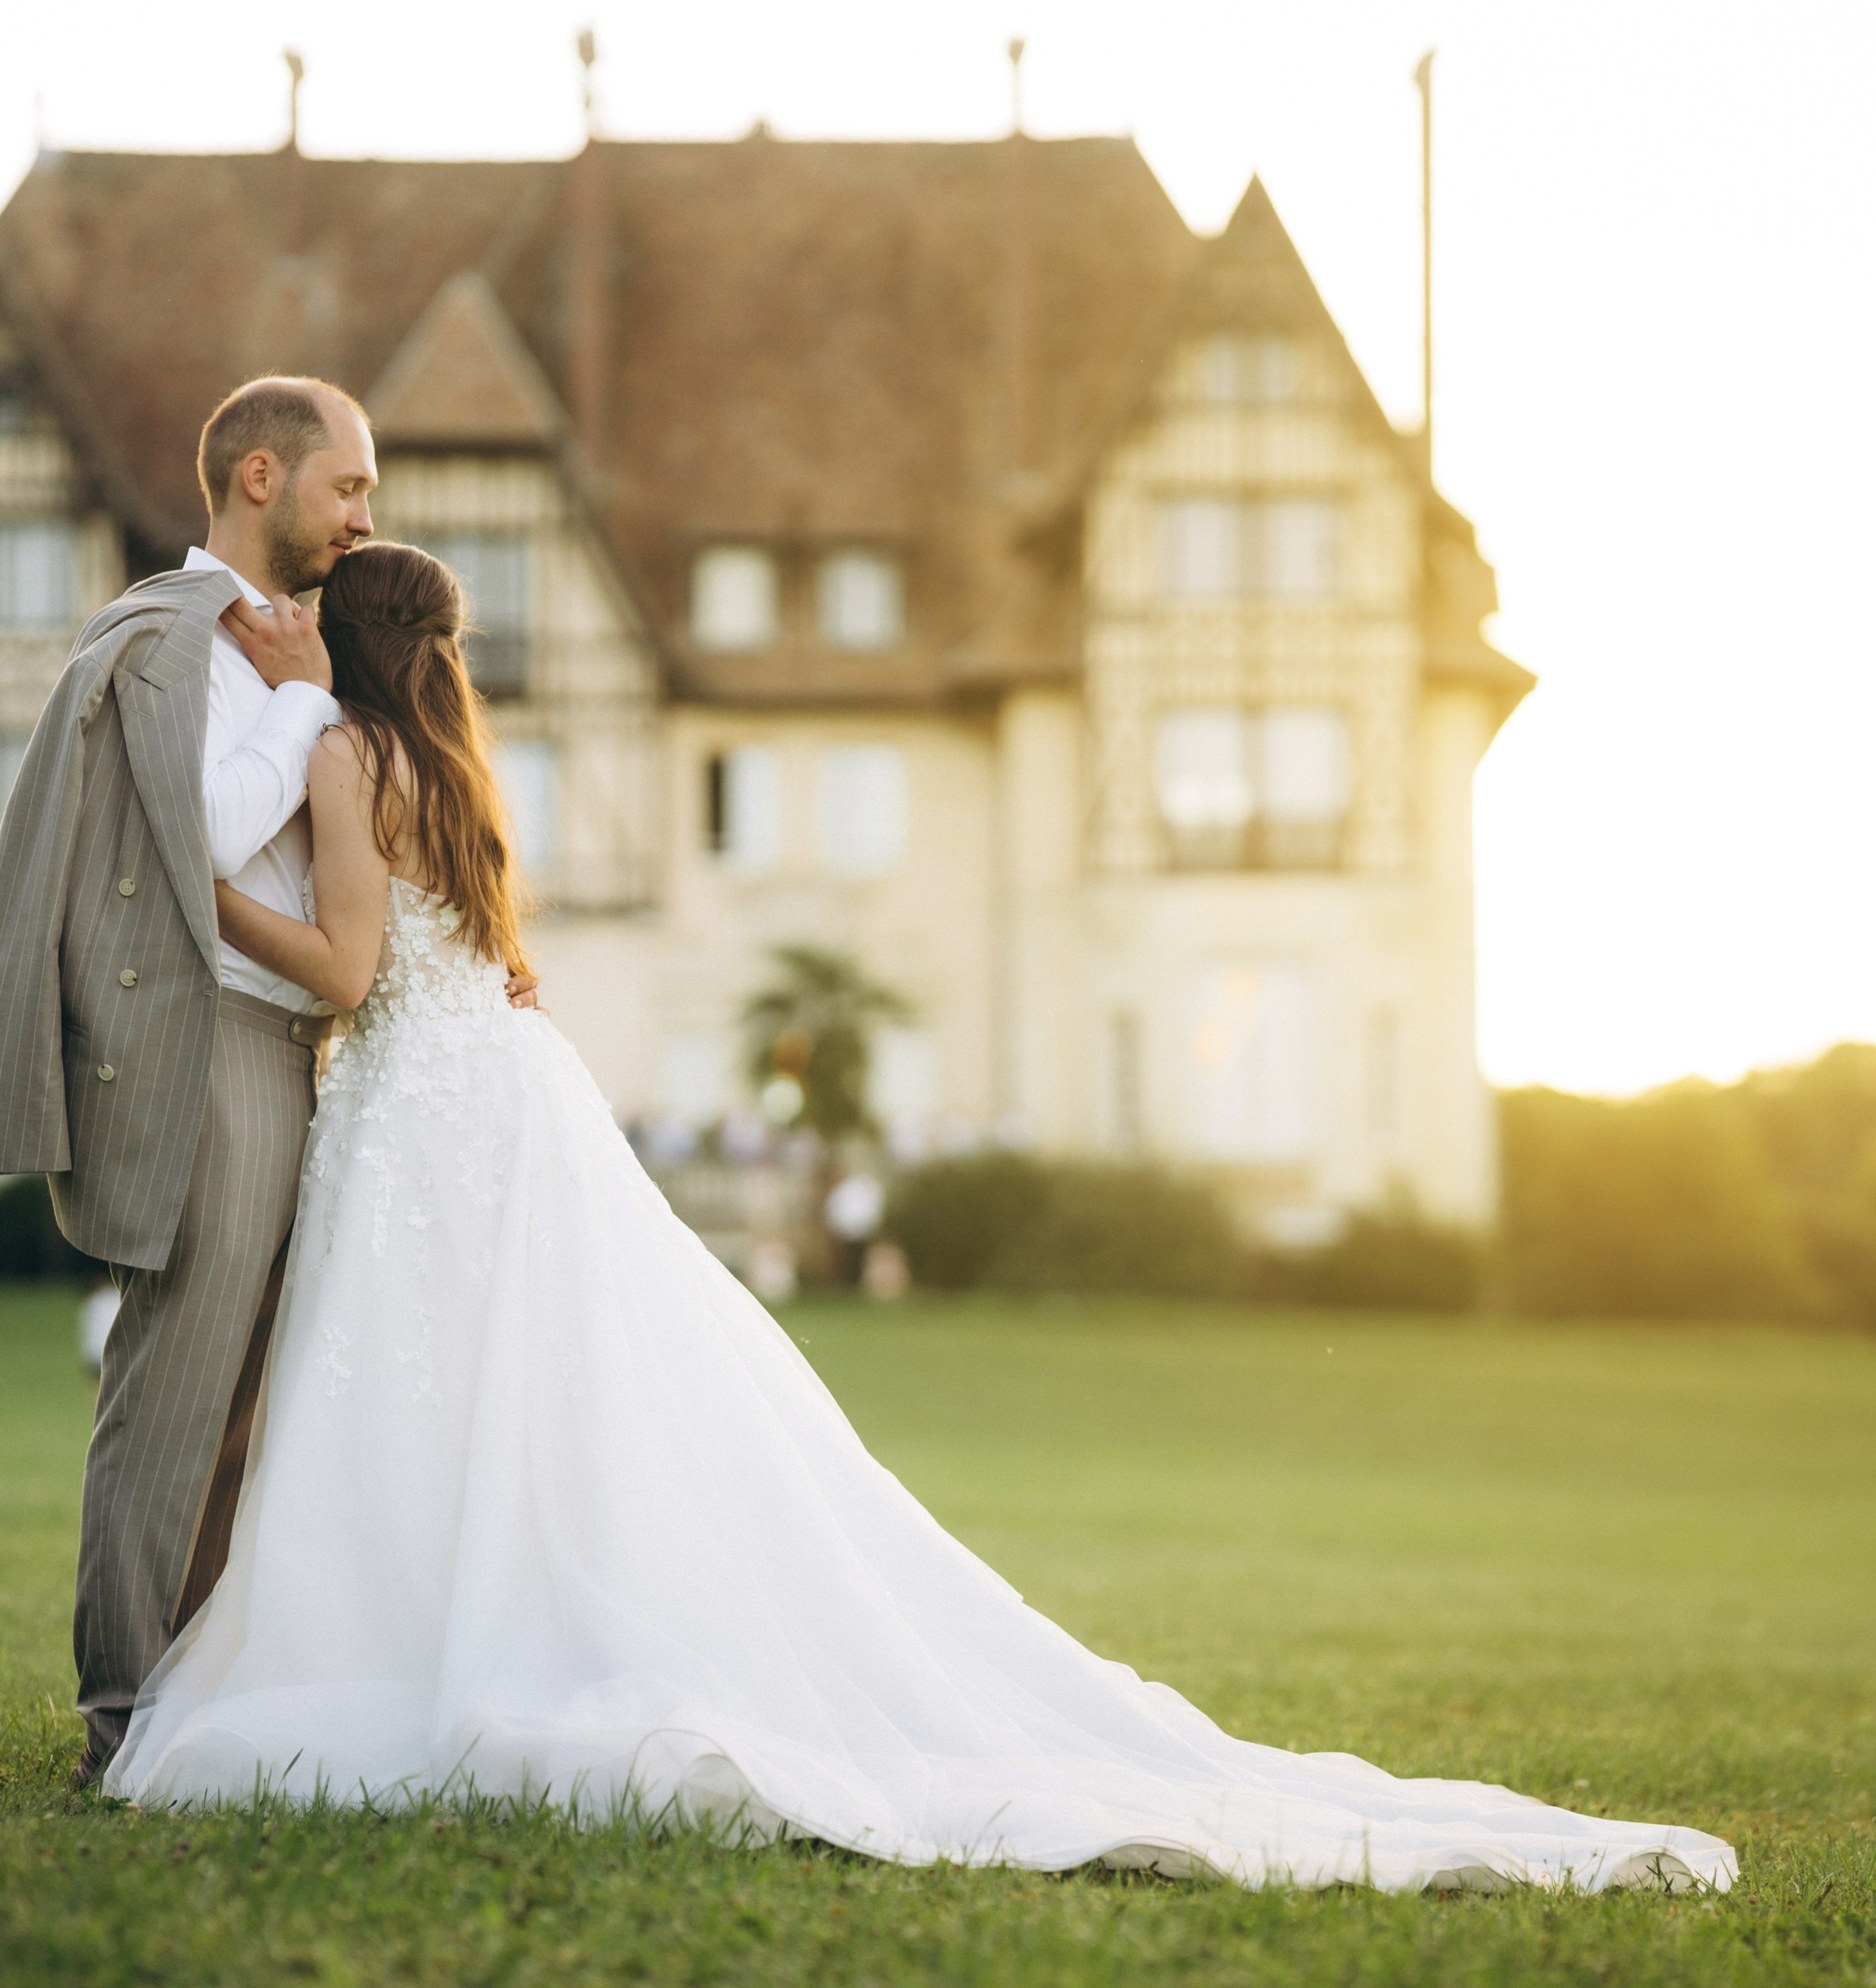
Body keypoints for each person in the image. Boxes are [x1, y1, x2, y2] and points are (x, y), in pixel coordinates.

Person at [102, 540, 1735, 1893]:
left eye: (315, 614)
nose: (294, 627)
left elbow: (340, 967)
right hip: (511, 1096)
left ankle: (416, 1633)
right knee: (535, 1388)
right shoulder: (457, 763)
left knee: (414, 1387)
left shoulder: (339, 751)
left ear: (353, 636)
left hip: (423, 1108)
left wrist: (195, 878)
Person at [0, 377, 537, 1790]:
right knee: (175, 1394)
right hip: (214, 1053)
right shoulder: (183, 643)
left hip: (306, 1056)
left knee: (261, 1400)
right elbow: (203, 835)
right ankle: (125, 1714)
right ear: (257, 477)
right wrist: (301, 709)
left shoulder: (284, 653)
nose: (366, 516)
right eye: (347, 487)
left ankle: (215, 1681)